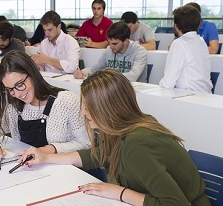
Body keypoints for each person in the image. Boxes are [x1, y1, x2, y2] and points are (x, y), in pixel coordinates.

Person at [19, 69, 210, 206]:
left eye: (88, 106)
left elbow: (175, 203)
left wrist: (120, 193)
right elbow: (97, 155)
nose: (83, 111)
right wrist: (46, 157)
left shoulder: (138, 144)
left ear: (109, 108)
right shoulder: (122, 129)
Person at [0, 50, 90, 161]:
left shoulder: (66, 101)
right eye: (10, 89)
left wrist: (50, 149)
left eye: (20, 84)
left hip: (66, 170)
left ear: (32, 74)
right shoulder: (13, 105)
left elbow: (85, 143)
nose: (17, 94)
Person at [159, 5, 212, 93]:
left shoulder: (178, 44)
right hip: (206, 94)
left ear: (176, 26)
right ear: (199, 25)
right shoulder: (201, 42)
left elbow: (168, 82)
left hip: (188, 96)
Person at [74, 22, 147, 82]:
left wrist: (107, 76)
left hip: (135, 91)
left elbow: (133, 76)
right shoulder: (109, 50)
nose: (111, 47)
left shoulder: (140, 52)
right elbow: (95, 68)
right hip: (114, 88)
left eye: (115, 44)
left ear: (126, 41)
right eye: (109, 43)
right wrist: (83, 72)